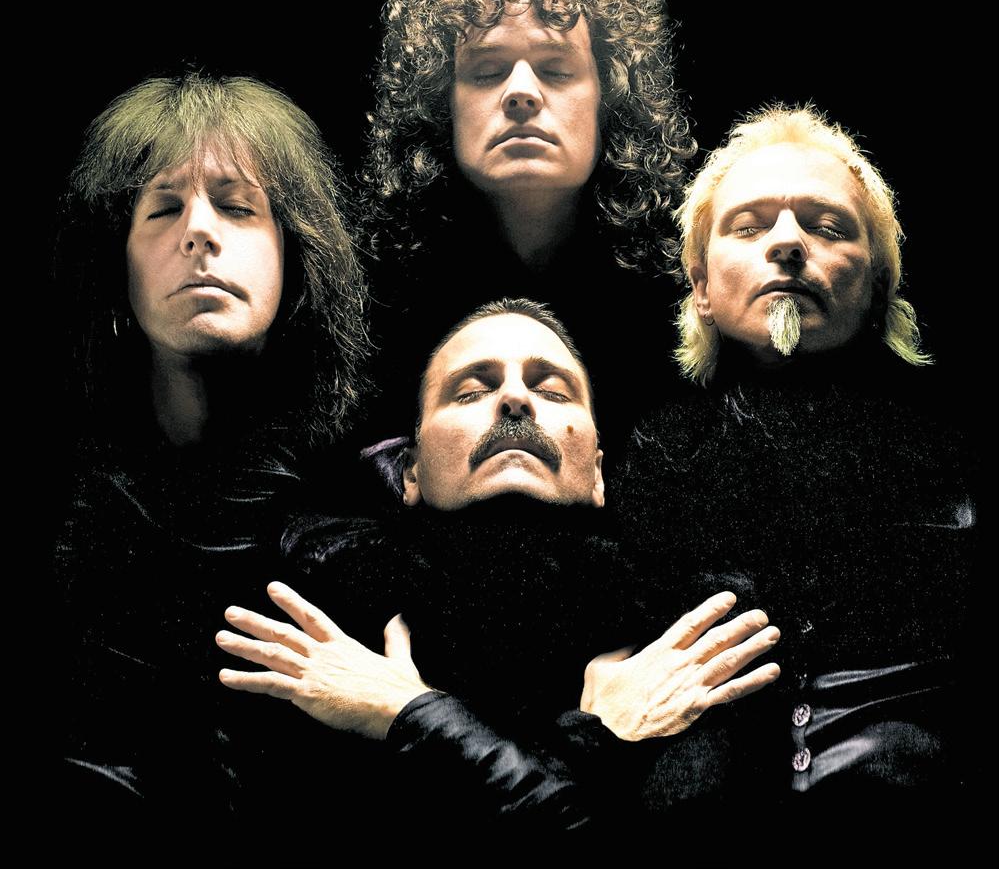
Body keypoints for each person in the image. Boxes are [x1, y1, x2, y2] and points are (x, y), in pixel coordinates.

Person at [217, 299, 781, 838]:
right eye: (470, 392)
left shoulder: (691, 637)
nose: (515, 398)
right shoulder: (325, 631)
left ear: (598, 474)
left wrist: (407, 714)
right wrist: (602, 736)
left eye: (551, 390)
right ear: (410, 472)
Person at [611, 105, 980, 851]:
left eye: (827, 226)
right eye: (748, 226)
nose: (786, 242)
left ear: (877, 285)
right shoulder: (638, 462)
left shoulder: (959, 456)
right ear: (701, 285)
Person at [54, 71, 369, 844]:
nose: (198, 232)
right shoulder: (66, 524)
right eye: (163, 209)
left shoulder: (364, 520)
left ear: (296, 258)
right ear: (118, 266)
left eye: (237, 206)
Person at [359, 0, 696, 461]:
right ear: (440, 105)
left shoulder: (686, 287)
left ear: (610, 100)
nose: (521, 92)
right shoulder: (373, 295)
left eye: (557, 70)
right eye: (487, 71)